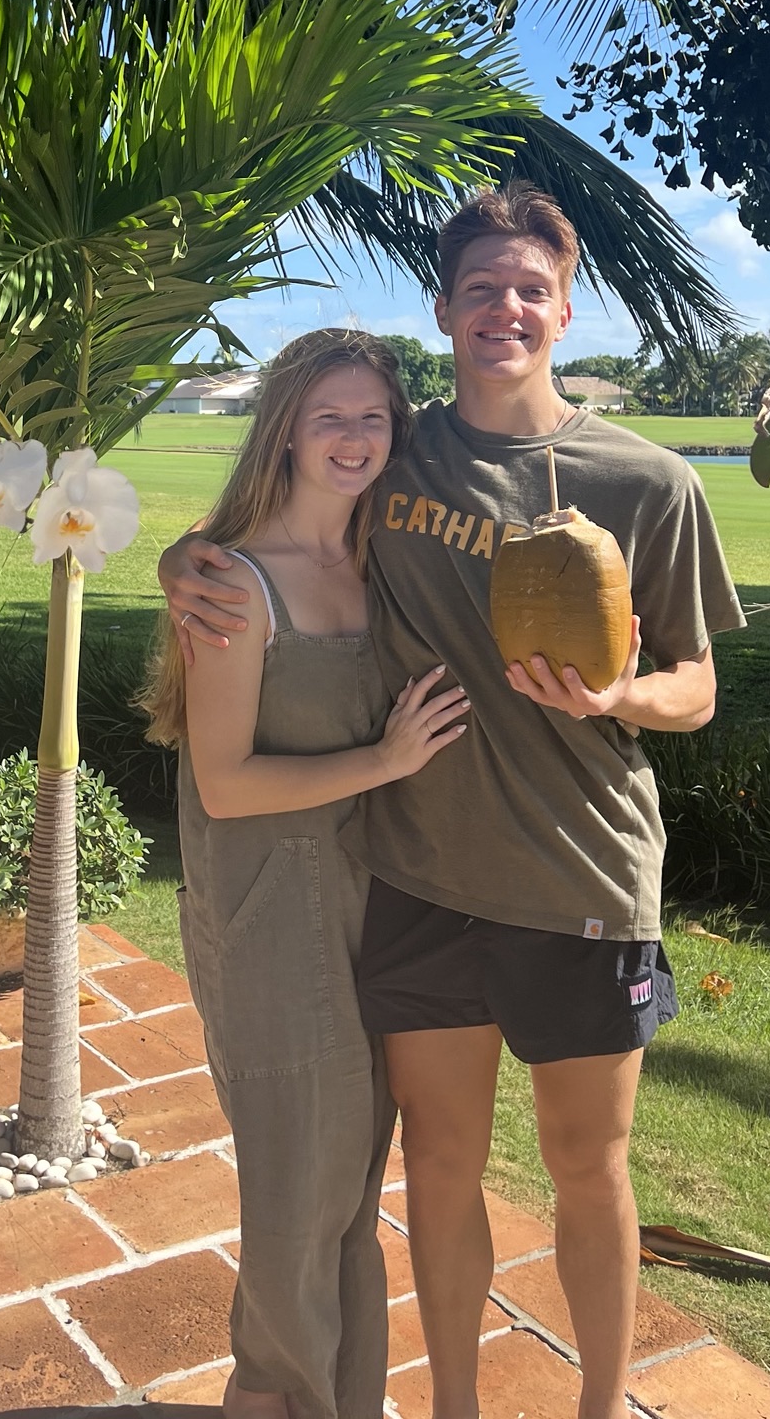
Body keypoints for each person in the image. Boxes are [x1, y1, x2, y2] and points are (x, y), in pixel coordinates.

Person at [161, 185, 743, 1419]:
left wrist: (619, 694)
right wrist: (187, 559)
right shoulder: (397, 447)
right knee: (437, 1164)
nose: (505, 308)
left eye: (530, 287)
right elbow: (285, 499)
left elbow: (696, 686)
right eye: (481, 287)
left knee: (588, 1167)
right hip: (419, 874)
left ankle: (595, 1405)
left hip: (580, 876)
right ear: (443, 306)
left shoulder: (645, 480)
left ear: (567, 307)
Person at [142, 329, 470, 1419]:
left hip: (369, 903)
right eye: (330, 414)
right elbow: (225, 782)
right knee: (296, 1203)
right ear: (285, 424)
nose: (354, 436)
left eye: (373, 416)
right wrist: (385, 758)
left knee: (345, 1199)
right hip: (271, 914)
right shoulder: (234, 582)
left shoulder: (376, 555)